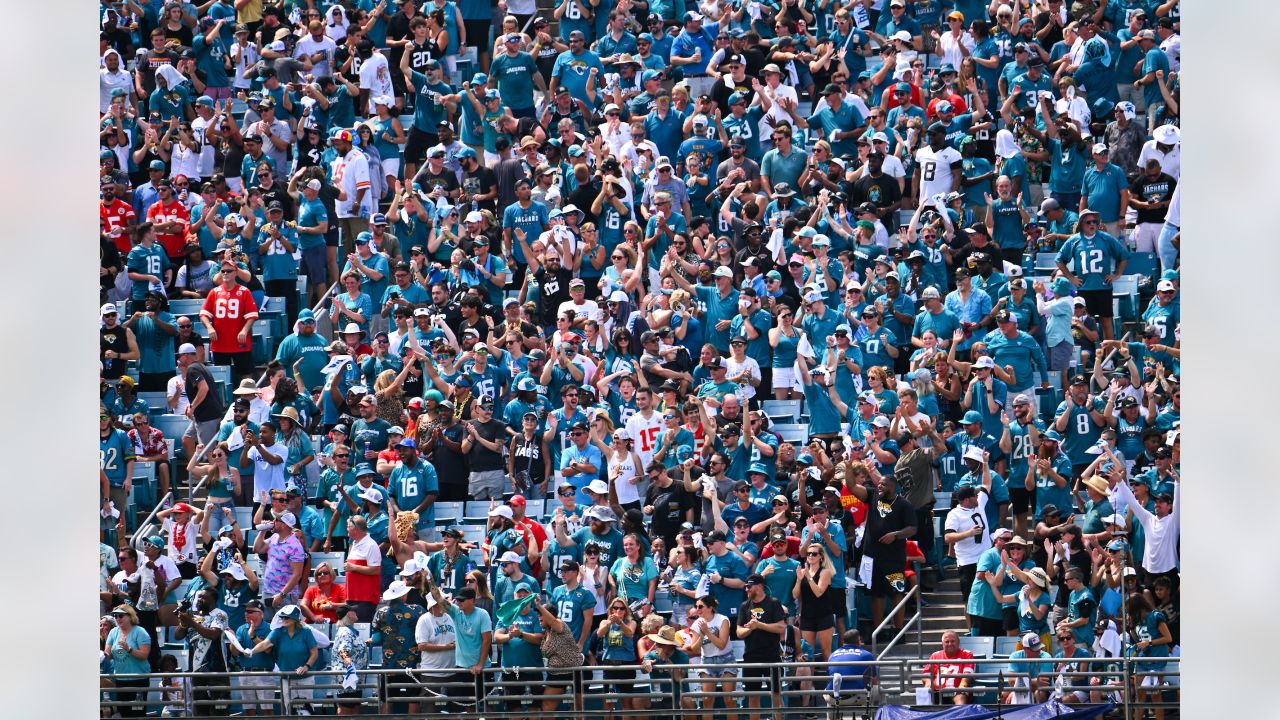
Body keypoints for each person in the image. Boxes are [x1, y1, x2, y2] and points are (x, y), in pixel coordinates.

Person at [737, 573, 786, 720]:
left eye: (749, 587)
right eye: (745, 587)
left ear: (759, 586)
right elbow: (739, 632)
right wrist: (751, 628)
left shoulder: (773, 603)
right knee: (753, 696)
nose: (747, 590)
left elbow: (781, 628)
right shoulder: (744, 606)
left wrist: (759, 625)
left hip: (772, 656)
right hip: (751, 657)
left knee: (776, 694)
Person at [106, 605, 153, 717]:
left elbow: (144, 655)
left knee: (137, 712)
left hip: (139, 680)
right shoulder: (113, 632)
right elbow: (107, 654)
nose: (117, 618)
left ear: (130, 616)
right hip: (120, 679)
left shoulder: (140, 631)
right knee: (124, 712)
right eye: (115, 616)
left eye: (120, 615)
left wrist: (129, 649)